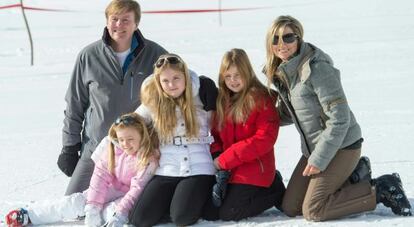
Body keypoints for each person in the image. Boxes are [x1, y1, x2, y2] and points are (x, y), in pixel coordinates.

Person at [263, 15, 412, 221]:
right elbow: (294, 112)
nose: (282, 44)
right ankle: (354, 177)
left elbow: (340, 118)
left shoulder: (316, 68)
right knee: (291, 207)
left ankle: (382, 189)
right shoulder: (288, 71)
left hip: (343, 146)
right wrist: (259, 118)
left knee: (314, 210)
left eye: (288, 37)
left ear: (299, 38)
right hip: (316, 148)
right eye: (276, 39)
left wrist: (319, 159)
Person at [57, 0, 167, 196]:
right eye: (114, 19)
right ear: (107, 22)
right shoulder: (89, 56)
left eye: (126, 20)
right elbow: (75, 105)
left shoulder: (155, 55)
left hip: (139, 152)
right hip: (97, 150)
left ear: (136, 23)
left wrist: (202, 88)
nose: (119, 25)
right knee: (73, 203)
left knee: (134, 208)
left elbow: (179, 81)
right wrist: (69, 146)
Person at [5, 113, 159, 227]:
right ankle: (30, 214)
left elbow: (136, 190)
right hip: (110, 189)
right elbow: (99, 178)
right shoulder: (113, 149)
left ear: (142, 136)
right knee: (75, 202)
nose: (125, 144)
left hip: (129, 197)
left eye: (130, 139)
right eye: (121, 139)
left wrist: (119, 214)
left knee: (111, 212)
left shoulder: (148, 158)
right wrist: (93, 206)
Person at [128, 53, 218, 226]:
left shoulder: (202, 95)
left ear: (185, 75)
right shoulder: (154, 103)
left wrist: (214, 93)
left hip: (197, 168)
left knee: (182, 218)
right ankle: (176, 201)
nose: (171, 85)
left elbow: (230, 109)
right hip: (166, 169)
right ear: (158, 83)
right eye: (165, 81)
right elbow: (129, 125)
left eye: (176, 78)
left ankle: (199, 199)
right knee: (139, 219)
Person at [202, 48, 286, 222]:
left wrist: (225, 160)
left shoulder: (261, 99)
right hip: (230, 168)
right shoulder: (222, 100)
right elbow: (215, 136)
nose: (233, 81)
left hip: (255, 168)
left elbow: (264, 139)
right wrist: (217, 155)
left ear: (247, 73)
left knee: (230, 213)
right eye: (228, 76)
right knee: (209, 211)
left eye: (238, 75)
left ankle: (274, 190)